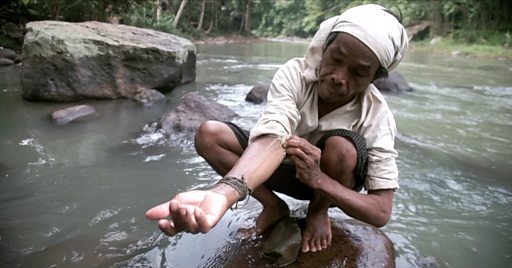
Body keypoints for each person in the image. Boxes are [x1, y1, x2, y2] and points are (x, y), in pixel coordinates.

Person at [146, 4, 408, 253]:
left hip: (327, 183)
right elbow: (274, 134)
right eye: (336, 58)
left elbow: (381, 211)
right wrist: (224, 193)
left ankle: (318, 211)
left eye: (359, 73)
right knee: (210, 134)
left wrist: (319, 180)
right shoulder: (295, 74)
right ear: (324, 46)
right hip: (276, 167)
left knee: (343, 149)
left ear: (375, 78)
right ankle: (273, 205)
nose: (339, 77)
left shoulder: (377, 114)